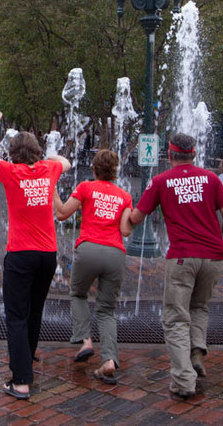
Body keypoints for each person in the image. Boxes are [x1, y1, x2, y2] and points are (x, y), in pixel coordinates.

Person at [0, 110, 71, 400]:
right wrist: (47, 160)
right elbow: (65, 162)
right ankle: (27, 359)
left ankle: (21, 381)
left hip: (20, 253)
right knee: (34, 311)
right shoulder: (49, 170)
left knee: (16, 315)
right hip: (47, 255)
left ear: (13, 153)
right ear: (37, 152)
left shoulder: (10, 171)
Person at [129, 133, 223, 399]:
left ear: (170, 154)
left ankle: (183, 379)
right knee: (199, 307)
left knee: (176, 318)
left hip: (182, 257)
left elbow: (136, 217)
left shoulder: (161, 181)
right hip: (213, 256)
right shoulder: (211, 179)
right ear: (195, 154)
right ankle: (196, 351)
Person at [54, 149, 132, 384]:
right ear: (115, 171)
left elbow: (62, 214)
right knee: (107, 309)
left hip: (88, 249)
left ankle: (85, 340)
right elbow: (126, 230)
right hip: (115, 253)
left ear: (94, 169)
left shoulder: (86, 188)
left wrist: (52, 189)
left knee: (78, 294)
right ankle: (109, 360)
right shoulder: (124, 196)